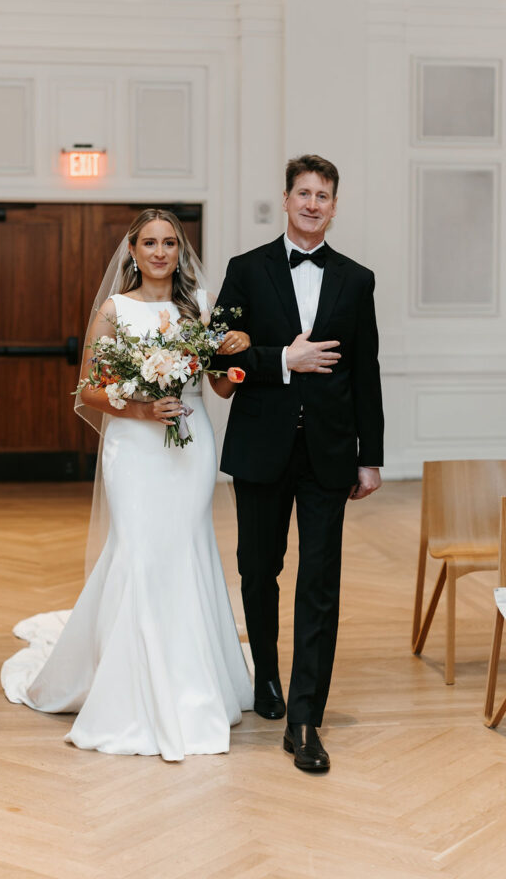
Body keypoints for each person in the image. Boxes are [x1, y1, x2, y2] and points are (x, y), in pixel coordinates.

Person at [1, 208, 254, 761]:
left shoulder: (199, 308)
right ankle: (130, 691)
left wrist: (231, 360)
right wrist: (140, 409)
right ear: (133, 252)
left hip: (189, 445)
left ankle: (192, 682)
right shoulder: (115, 310)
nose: (160, 252)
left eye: (170, 242)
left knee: (185, 552)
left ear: (180, 251)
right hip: (135, 449)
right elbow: (87, 392)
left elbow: (220, 389)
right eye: (149, 243)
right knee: (139, 553)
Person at [212, 154, 384, 773]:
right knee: (260, 571)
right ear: (285, 199)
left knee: (320, 582)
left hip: (329, 455)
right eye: (303, 193)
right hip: (261, 447)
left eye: (324, 196)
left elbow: (366, 372)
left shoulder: (357, 279)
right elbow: (215, 356)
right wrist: (284, 359)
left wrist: (371, 456)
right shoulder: (245, 270)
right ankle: (266, 676)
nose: (313, 204)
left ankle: (306, 717)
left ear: (335, 206)